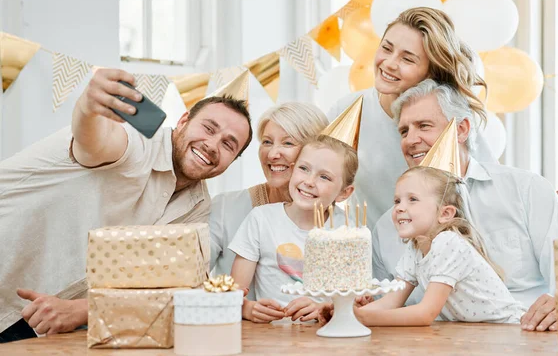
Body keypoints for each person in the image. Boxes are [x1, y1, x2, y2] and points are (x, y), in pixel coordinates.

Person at [0, 69, 252, 342]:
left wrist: (83, 309)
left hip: (33, 321)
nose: (212, 145)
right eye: (208, 128)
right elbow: (94, 143)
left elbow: (170, 287)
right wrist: (88, 107)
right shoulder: (136, 143)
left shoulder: (198, 206)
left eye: (228, 144)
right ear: (183, 121)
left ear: (232, 161)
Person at [326, 7, 558, 229]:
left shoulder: (451, 118)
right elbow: (314, 179)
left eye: (407, 58)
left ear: (431, 70)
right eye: (386, 48)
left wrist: (547, 212)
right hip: (377, 265)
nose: (389, 63)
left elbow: (492, 188)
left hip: (445, 262)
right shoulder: (347, 110)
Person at [371, 79, 558, 331]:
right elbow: (382, 304)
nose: (411, 139)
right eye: (404, 131)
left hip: (526, 335)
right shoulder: (389, 226)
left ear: (462, 129)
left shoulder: (526, 189)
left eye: (423, 126)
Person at [321, 166, 526, 326]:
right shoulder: (415, 248)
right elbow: (391, 302)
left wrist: (362, 319)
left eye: (412, 200)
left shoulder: (448, 243)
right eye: (397, 200)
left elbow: (425, 313)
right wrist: (345, 313)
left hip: (510, 330)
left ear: (445, 213)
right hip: (476, 335)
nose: (400, 207)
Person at [229, 135, 356, 323]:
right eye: (304, 169)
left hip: (325, 335)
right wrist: (247, 308)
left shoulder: (348, 229)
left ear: (344, 193)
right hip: (270, 334)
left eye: (324, 177)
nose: (309, 181)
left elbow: (354, 301)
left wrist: (325, 308)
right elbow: (233, 293)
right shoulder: (261, 219)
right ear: (293, 169)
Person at [210, 103, 328, 277]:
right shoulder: (225, 207)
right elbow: (189, 278)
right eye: (267, 142)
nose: (272, 154)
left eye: (288, 143)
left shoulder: (339, 225)